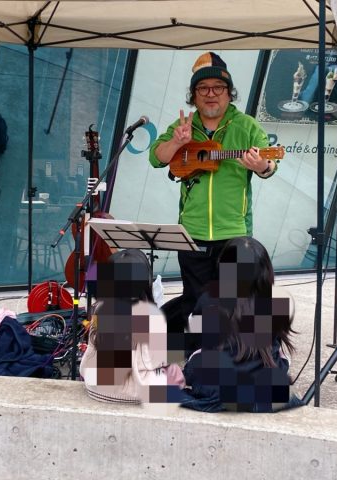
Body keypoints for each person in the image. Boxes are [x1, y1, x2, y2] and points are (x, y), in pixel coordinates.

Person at [149, 51, 279, 332]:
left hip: (234, 233)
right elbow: (156, 158)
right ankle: (200, 351)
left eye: (218, 88)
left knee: (235, 304)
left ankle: (232, 352)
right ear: (193, 95)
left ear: (229, 94)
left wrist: (261, 164)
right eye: (203, 88)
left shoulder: (246, 126)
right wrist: (176, 142)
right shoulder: (183, 126)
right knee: (196, 303)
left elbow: (270, 165)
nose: (211, 94)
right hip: (192, 232)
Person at [181, 236, 300, 413]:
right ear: (266, 269)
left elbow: (194, 344)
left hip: (215, 390)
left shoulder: (207, 300)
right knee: (279, 358)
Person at [79, 249, 185, 404]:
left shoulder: (99, 307)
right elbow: (153, 361)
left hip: (95, 386)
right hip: (129, 392)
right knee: (175, 371)